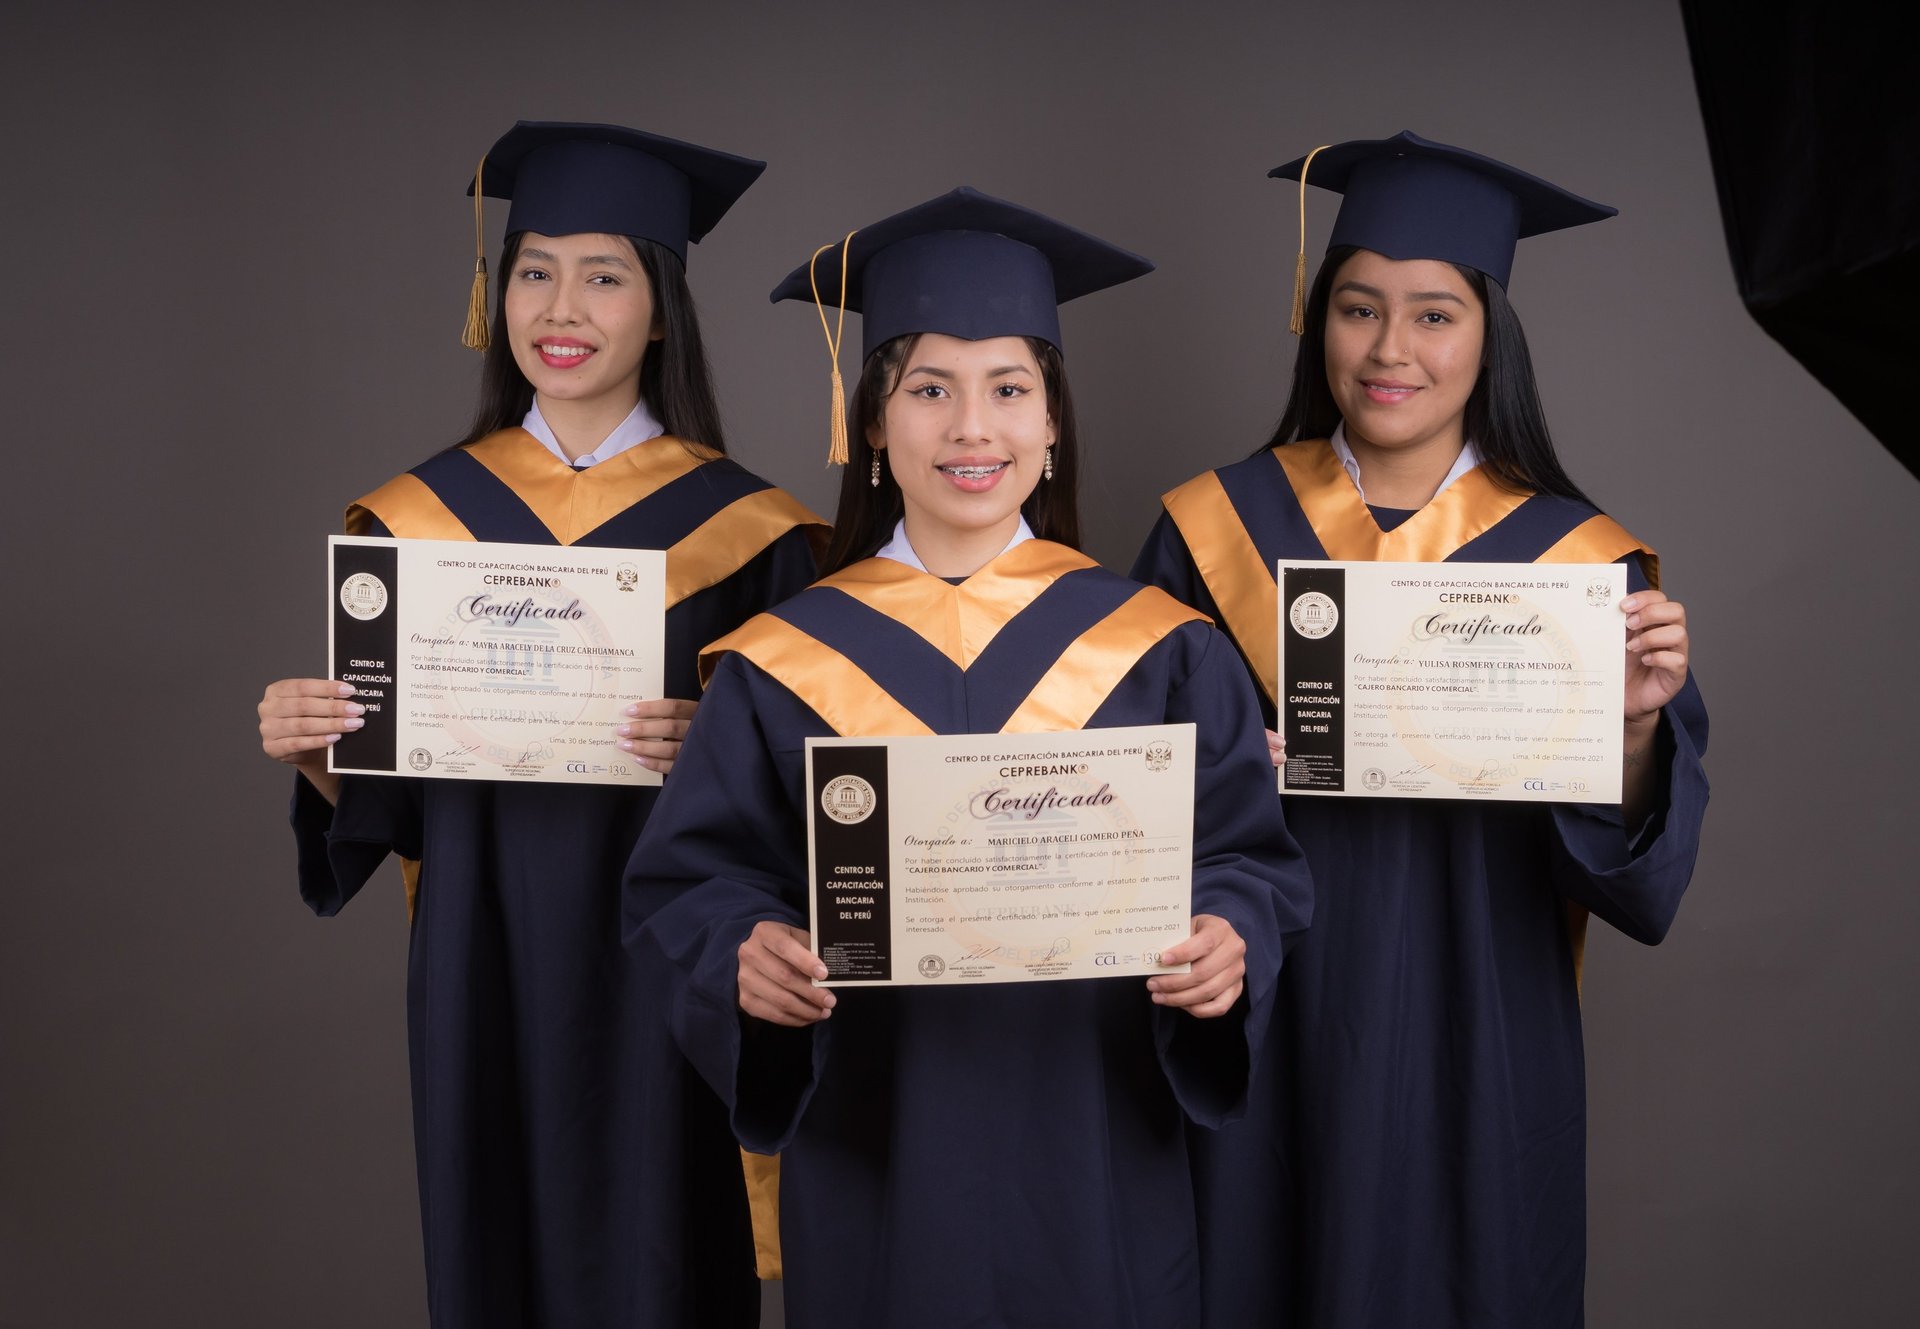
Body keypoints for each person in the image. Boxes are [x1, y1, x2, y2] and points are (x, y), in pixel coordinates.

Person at [622, 187, 1315, 1329]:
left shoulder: (1159, 648)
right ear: (876, 426)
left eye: (1009, 390)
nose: (971, 429)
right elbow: (691, 884)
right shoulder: (779, 660)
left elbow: (1248, 856)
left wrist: (1227, 938)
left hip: (1096, 1136)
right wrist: (741, 953)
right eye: (928, 390)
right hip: (874, 1137)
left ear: (1052, 425)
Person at [1132, 131, 1710, 1328]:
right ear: (1318, 322)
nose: (1391, 350)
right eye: (1358, 309)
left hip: (1478, 1029)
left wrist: (1635, 730)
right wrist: (1221, 779)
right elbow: (1117, 792)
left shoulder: (1582, 564)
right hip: (1266, 1015)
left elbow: (1636, 884)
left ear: (1491, 333)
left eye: (1434, 314)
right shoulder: (1210, 530)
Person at [253, 121, 825, 1328]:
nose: (561, 307)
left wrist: (715, 746)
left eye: (604, 274)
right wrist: (320, 759)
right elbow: (390, 808)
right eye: (533, 270)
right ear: (496, 295)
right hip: (483, 953)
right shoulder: (416, 522)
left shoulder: (754, 531)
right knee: (494, 1243)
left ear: (660, 310)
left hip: (665, 957)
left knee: (668, 1252)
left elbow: (815, 784)